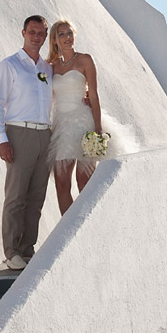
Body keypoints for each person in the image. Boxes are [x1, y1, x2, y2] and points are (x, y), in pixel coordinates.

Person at [0, 15, 52, 270]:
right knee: (16, 195)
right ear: (23, 32)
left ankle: (27, 249)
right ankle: (11, 251)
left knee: (36, 196)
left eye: (41, 33)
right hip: (19, 132)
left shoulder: (47, 68)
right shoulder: (10, 65)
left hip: (44, 135)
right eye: (32, 32)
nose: (36, 37)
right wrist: (1, 139)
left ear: (45, 37)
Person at [46, 19, 111, 215]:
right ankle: (70, 229)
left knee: (84, 182)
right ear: (55, 40)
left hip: (84, 122)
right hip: (61, 126)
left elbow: (93, 94)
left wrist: (98, 128)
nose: (67, 38)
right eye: (62, 34)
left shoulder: (85, 60)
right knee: (61, 183)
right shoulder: (51, 66)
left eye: (70, 33)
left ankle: (90, 225)